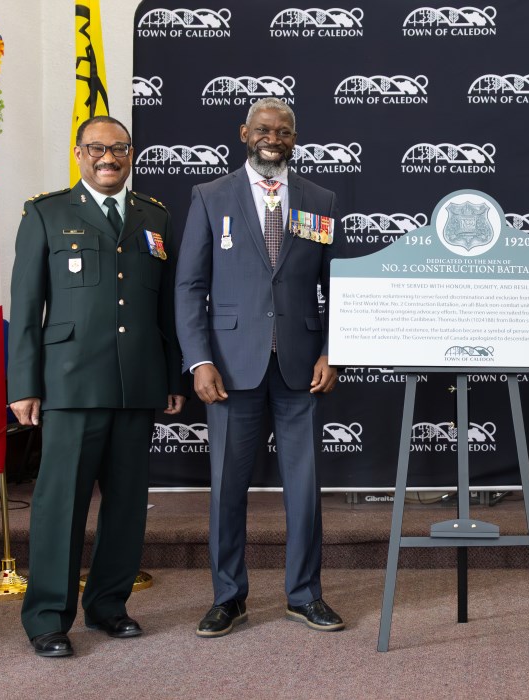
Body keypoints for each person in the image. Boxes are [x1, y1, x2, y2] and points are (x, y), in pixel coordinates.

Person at [7, 116, 185, 657]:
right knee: (61, 505)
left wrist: (171, 376)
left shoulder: (153, 215)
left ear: (131, 154)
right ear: (79, 153)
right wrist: (24, 385)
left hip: (137, 383)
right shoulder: (46, 212)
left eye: (119, 149)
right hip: (69, 385)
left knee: (128, 505)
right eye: (97, 149)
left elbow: (166, 307)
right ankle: (47, 620)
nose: (108, 158)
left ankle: (108, 606)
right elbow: (26, 305)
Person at [175, 97, 341, 637]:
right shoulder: (210, 195)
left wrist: (332, 349)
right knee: (226, 488)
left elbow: (334, 287)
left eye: (285, 131)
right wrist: (199, 360)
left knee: (305, 487)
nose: (274, 137)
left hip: (301, 366)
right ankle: (229, 596)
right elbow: (191, 286)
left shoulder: (320, 199)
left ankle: (304, 595)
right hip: (229, 366)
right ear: (244, 132)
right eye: (265, 129)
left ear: (295, 137)